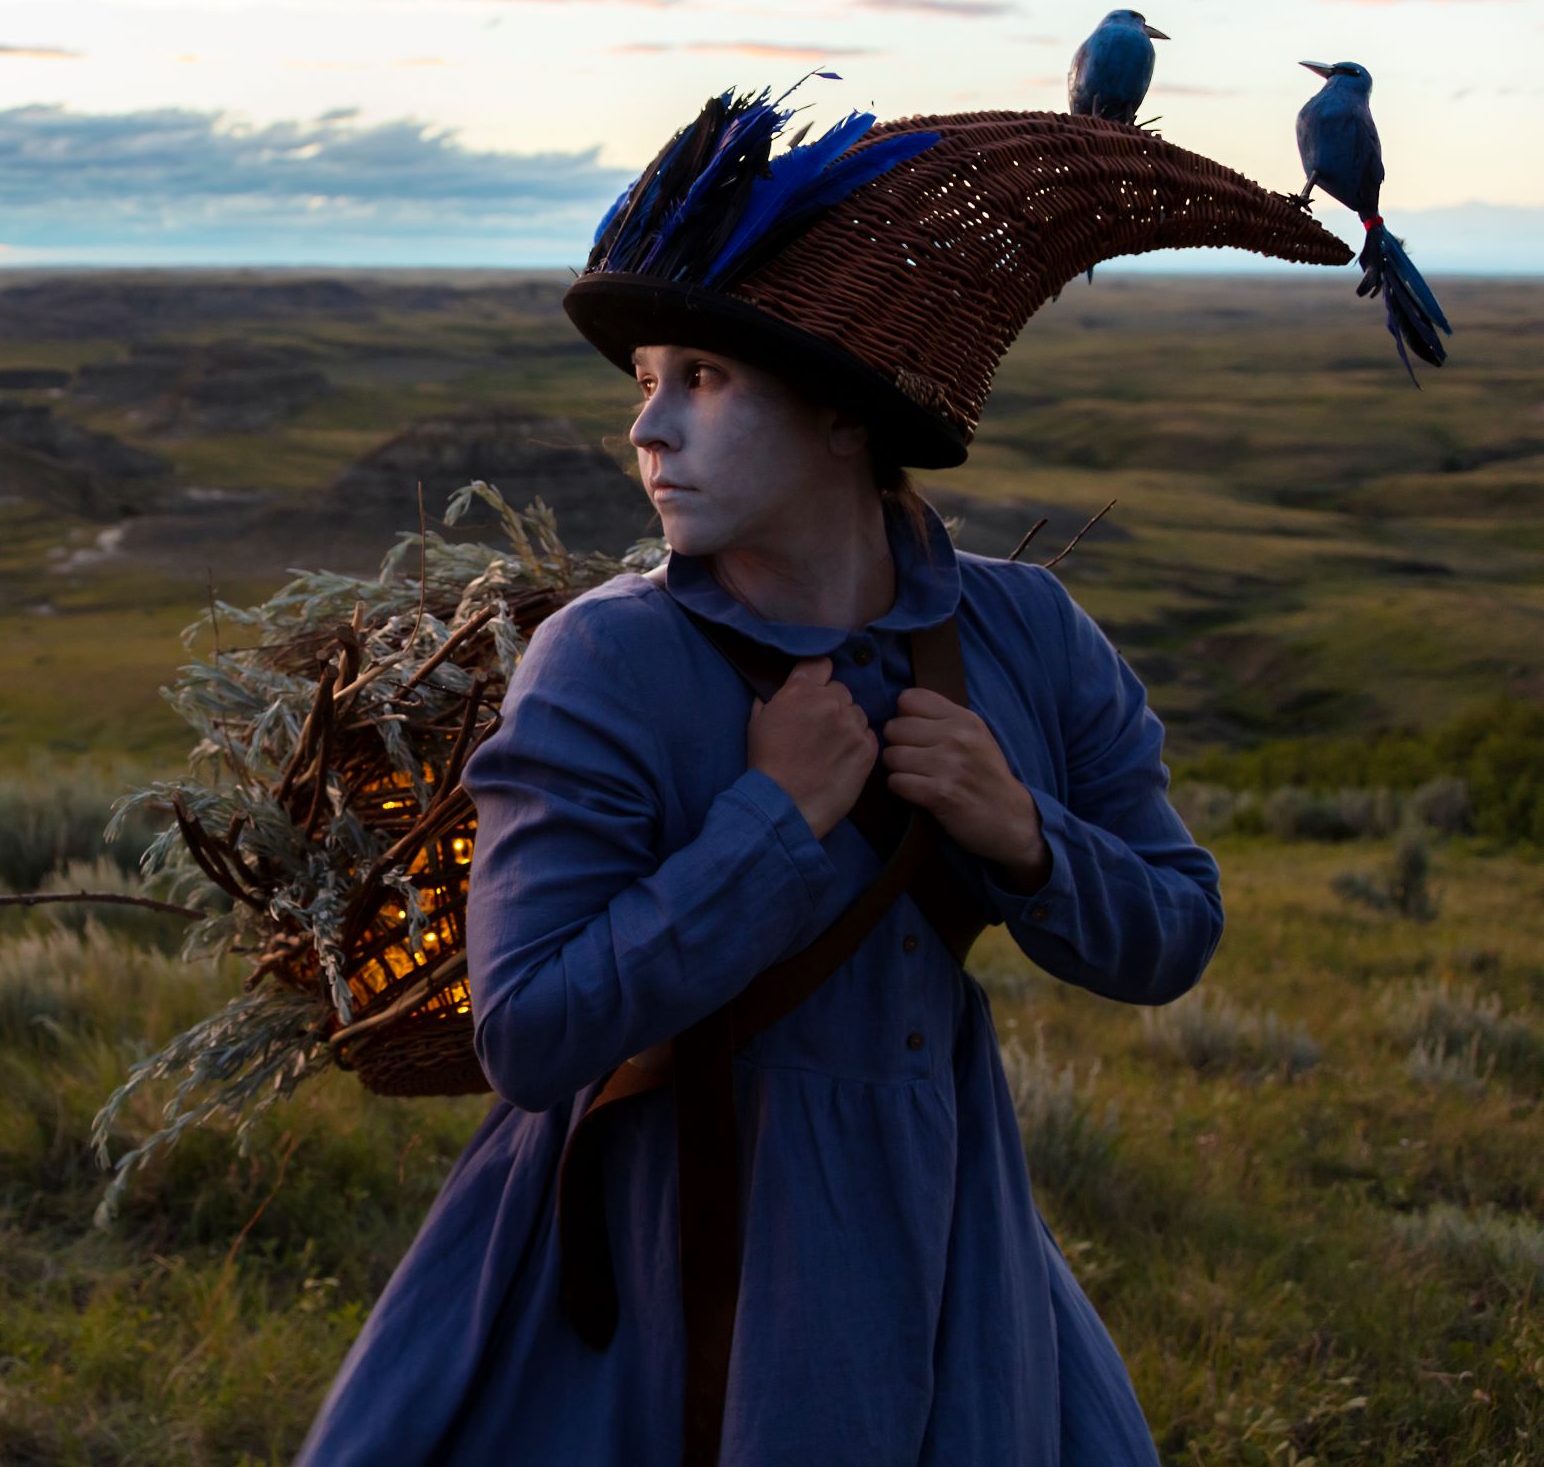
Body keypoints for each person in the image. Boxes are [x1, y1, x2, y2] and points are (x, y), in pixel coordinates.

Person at [291, 94, 1355, 1466]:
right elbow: (533, 1035)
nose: (649, 432)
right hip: (654, 1263)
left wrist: (1025, 836)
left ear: (847, 413)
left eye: (705, 380)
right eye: (644, 383)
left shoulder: (1024, 636)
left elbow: (1175, 931)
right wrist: (770, 827)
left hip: (947, 1233)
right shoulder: (604, 662)